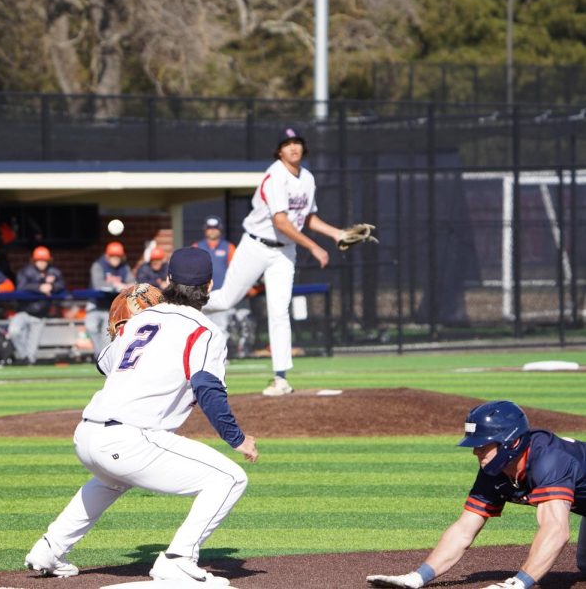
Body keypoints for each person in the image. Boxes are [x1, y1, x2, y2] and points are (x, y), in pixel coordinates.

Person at [24, 247, 258, 585]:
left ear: (167, 281)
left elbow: (103, 364)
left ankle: (48, 549)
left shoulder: (142, 319)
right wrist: (236, 438)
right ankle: (178, 559)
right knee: (230, 478)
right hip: (131, 439)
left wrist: (126, 332)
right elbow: (207, 388)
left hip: (87, 434)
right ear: (209, 286)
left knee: (111, 479)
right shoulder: (205, 332)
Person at [367, 400, 586, 589]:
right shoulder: (495, 469)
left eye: (483, 445)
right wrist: (417, 577)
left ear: (511, 443)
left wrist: (518, 583)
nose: (475, 451)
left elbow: (556, 529)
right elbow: (464, 529)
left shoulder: (550, 460)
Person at [204, 127, 343, 396]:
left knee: (279, 311)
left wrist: (335, 233)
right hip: (256, 245)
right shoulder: (275, 176)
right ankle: (180, 303)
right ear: (279, 150)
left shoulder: (308, 178)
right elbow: (281, 220)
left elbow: (307, 218)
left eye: (298, 142)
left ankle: (281, 377)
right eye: (288, 143)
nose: (294, 147)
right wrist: (315, 246)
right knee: (225, 300)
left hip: (284, 252)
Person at [9, 246, 66, 364]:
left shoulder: (54, 272)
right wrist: (39, 287)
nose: (42, 263)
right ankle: (23, 356)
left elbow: (62, 286)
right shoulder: (25, 272)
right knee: (14, 331)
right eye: (39, 260)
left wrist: (52, 287)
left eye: (44, 260)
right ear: (34, 260)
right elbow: (21, 287)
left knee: (32, 352)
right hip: (24, 311)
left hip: (40, 314)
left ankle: (27, 361)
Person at [85, 241, 135, 356]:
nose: (115, 259)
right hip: (95, 304)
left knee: (106, 336)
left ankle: (101, 357)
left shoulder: (124, 267)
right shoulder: (98, 265)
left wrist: (125, 286)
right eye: (112, 256)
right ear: (107, 256)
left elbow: (131, 283)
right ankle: (99, 354)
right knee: (90, 327)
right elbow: (98, 284)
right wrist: (116, 286)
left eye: (118, 256)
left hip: (111, 307)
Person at [194, 216, 238, 337]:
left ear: (220, 229)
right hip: (201, 295)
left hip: (221, 294)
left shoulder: (229, 247)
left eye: (215, 228)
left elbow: (235, 271)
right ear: (205, 230)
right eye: (209, 228)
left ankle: (222, 355)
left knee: (221, 329)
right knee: (201, 328)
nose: (212, 231)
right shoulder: (197, 246)